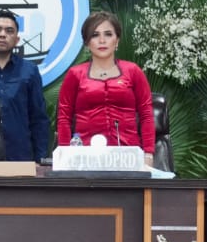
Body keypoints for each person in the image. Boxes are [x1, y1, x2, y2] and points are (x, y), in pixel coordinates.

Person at [56, 11, 156, 167]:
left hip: (128, 155)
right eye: (95, 35)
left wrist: (148, 154)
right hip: (85, 157)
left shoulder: (133, 71)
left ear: (117, 40)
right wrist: (65, 155)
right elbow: (64, 118)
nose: (102, 40)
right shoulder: (75, 74)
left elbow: (146, 114)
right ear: (87, 43)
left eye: (108, 34)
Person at [0, 9, 50, 163]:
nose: (2, 34)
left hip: (20, 157)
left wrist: (40, 159)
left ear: (17, 39)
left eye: (9, 31)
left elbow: (39, 118)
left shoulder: (29, 70)